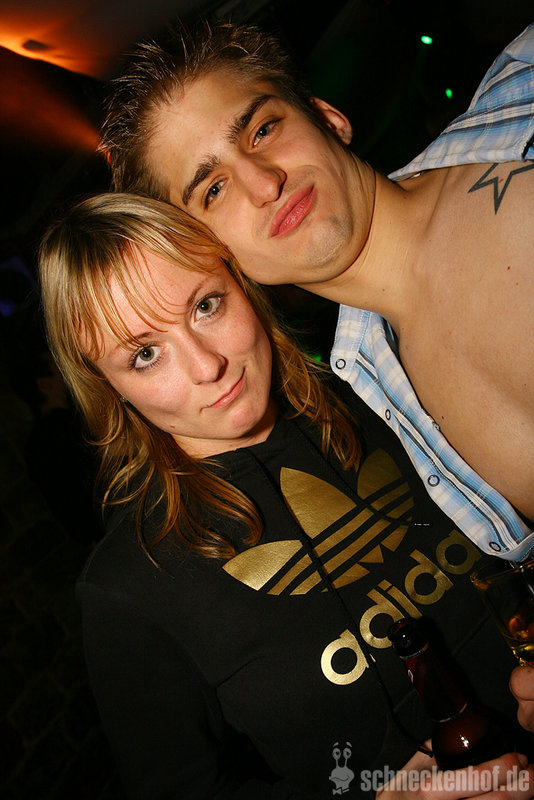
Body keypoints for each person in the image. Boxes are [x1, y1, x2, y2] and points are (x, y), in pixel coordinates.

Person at [38, 192, 533, 799]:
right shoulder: (129, 586)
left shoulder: (387, 394)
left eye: (205, 305)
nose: (207, 366)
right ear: (106, 386)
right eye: (145, 354)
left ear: (242, 284)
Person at [99, 19, 534, 567]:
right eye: (214, 189)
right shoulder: (376, 406)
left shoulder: (522, 107)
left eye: (262, 131)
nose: (266, 184)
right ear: (207, 250)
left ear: (328, 118)